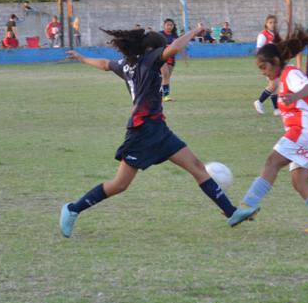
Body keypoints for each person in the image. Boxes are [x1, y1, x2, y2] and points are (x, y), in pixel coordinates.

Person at [59, 24, 258, 237]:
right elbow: (173, 47)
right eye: (161, 51)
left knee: (197, 167)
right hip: (141, 131)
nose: (164, 57)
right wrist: (194, 32)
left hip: (159, 130)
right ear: (152, 50)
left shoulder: (128, 64)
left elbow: (105, 64)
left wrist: (81, 58)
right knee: (120, 184)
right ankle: (72, 209)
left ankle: (231, 212)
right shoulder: (149, 59)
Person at [234, 27, 308, 233]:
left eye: (264, 68)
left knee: (272, 162)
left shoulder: (290, 73)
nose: (264, 73)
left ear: (274, 62)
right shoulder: (286, 77)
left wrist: (294, 97)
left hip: (304, 130)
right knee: (299, 181)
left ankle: (248, 206)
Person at [253, 14, 281, 116]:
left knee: (275, 85)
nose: (273, 24)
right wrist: (263, 66)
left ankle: (276, 109)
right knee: (274, 84)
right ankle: (259, 101)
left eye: (274, 22)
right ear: (266, 24)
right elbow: (259, 51)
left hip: (274, 64)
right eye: (270, 22)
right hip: (267, 64)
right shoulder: (263, 35)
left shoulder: (275, 35)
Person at [159, 18, 179, 101]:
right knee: (165, 75)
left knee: (166, 77)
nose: (169, 26)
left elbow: (178, 46)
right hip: (162, 57)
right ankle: (166, 96)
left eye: (171, 25)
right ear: (164, 26)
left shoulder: (175, 36)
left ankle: (160, 95)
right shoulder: (160, 34)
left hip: (171, 58)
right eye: (168, 25)